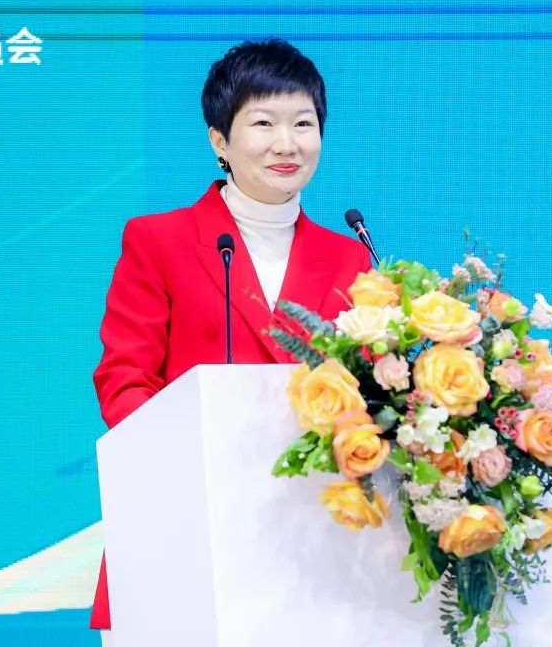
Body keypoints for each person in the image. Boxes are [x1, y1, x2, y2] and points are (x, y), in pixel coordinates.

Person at [89, 39, 372, 643]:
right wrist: (193, 460)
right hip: (184, 529)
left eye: (303, 123)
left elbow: (372, 390)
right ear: (220, 140)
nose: (286, 143)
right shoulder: (160, 241)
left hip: (313, 546)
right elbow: (124, 381)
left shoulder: (351, 257)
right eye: (263, 123)